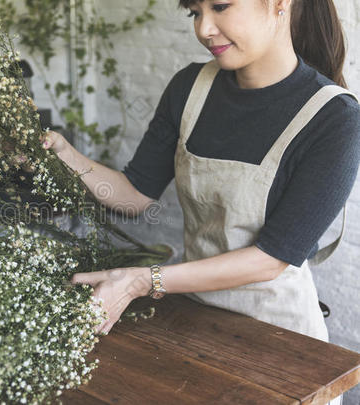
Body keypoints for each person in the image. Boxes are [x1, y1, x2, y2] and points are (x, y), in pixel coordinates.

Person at [42, 0, 360, 382]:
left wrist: (143, 280)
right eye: (194, 12)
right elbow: (134, 195)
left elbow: (271, 258)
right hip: (193, 322)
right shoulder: (189, 88)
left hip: (279, 338)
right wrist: (65, 156)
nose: (204, 28)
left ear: (280, 4)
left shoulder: (333, 118)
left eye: (221, 6)